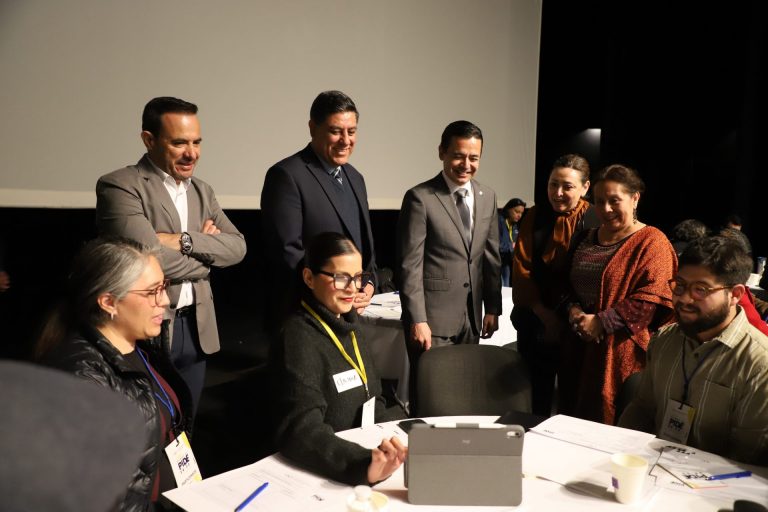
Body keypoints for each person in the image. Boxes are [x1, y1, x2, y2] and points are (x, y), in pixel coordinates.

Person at [96, 97, 247, 418]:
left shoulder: (203, 191)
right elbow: (148, 262)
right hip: (148, 330)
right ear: (149, 140)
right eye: (179, 143)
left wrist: (185, 241)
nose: (192, 153)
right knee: (149, 425)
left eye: (196, 142)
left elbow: (238, 248)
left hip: (197, 329)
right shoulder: (120, 186)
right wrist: (208, 256)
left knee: (187, 425)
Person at [35, 237, 195, 511]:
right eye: (152, 291)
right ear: (109, 302)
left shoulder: (140, 345)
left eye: (164, 286)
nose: (165, 300)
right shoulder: (83, 380)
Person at [271, 232, 406, 485]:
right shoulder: (297, 338)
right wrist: (362, 464)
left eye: (357, 277)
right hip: (326, 473)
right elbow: (302, 431)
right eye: (341, 277)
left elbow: (374, 399)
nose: (353, 288)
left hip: (364, 450)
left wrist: (398, 440)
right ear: (309, 278)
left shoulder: (350, 326)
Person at [619, 236, 768, 465]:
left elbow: (747, 455)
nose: (685, 299)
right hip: (651, 467)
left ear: (735, 295)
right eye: (680, 286)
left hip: (715, 480)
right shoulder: (664, 340)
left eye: (700, 289)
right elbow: (643, 408)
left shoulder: (759, 363)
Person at [396, 120, 502, 414]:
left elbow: (491, 257)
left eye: (474, 158)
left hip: (472, 317)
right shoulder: (420, 197)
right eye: (458, 156)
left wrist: (492, 307)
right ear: (442, 152)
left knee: (465, 395)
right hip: (432, 320)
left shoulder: (488, 196)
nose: (466, 165)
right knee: (431, 399)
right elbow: (410, 264)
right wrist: (417, 319)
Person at [566, 164, 677, 425]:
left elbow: (652, 299)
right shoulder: (584, 237)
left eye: (614, 201)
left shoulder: (652, 242)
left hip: (621, 352)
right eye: (599, 201)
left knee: (615, 425)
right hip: (577, 345)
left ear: (635, 198)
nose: (605, 209)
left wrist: (601, 322)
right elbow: (566, 284)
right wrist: (573, 310)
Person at [261, 90, 376, 334]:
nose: (345, 140)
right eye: (336, 131)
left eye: (352, 131)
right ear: (313, 128)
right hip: (305, 320)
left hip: (350, 317)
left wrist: (367, 284)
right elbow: (287, 254)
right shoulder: (286, 176)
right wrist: (338, 291)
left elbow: (363, 248)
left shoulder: (356, 178)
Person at [510, 153, 599, 417]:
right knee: (534, 397)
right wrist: (543, 313)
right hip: (535, 318)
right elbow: (522, 268)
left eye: (567, 186)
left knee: (575, 400)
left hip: (580, 324)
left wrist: (573, 315)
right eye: (553, 184)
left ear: (585, 187)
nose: (558, 193)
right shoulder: (534, 215)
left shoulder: (596, 219)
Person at [499, 198, 526, 286]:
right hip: (497, 263)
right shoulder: (498, 221)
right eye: (517, 211)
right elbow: (494, 245)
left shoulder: (514, 225)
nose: (519, 215)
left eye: (521, 213)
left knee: (506, 288)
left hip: (507, 262)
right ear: (508, 209)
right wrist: (512, 246)